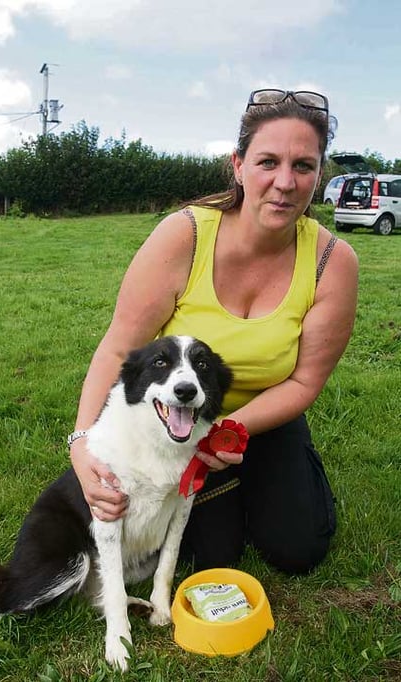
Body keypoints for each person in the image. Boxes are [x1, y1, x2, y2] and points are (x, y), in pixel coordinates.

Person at [69, 89, 358, 575]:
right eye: (268, 162)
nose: (285, 182)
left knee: (297, 549)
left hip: (265, 415)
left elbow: (305, 382)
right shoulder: (184, 235)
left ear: (319, 175)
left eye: (303, 166)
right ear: (238, 166)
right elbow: (120, 347)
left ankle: (261, 481)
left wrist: (227, 432)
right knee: (208, 553)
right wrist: (82, 442)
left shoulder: (333, 262)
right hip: (176, 417)